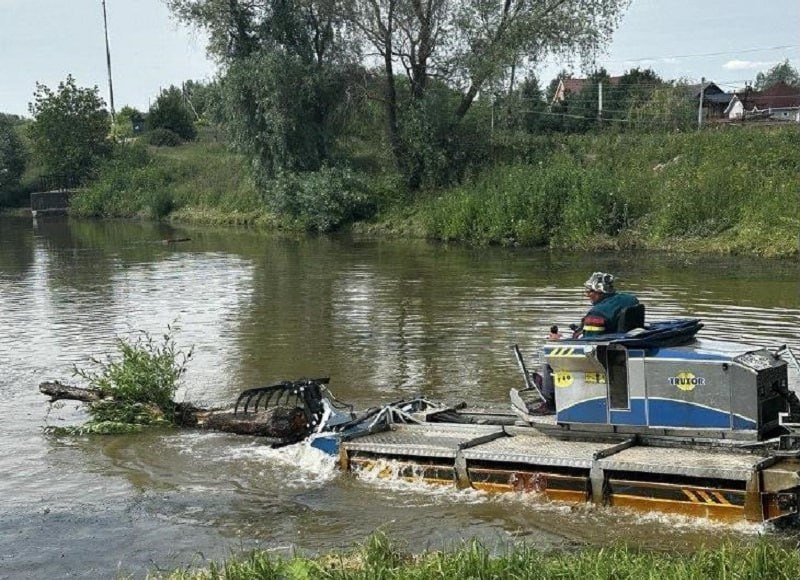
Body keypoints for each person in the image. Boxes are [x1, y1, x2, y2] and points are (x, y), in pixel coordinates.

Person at [574, 272, 639, 338]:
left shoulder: (596, 313)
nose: (587, 295)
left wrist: (578, 335)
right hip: (630, 338)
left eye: (589, 291)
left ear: (600, 291)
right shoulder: (630, 299)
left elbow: (589, 340)